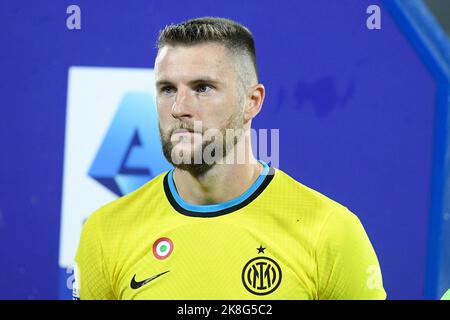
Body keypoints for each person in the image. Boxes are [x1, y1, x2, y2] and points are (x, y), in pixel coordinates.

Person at [73, 17, 387, 300]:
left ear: (252, 102)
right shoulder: (105, 232)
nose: (179, 107)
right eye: (167, 89)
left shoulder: (330, 232)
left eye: (202, 88)